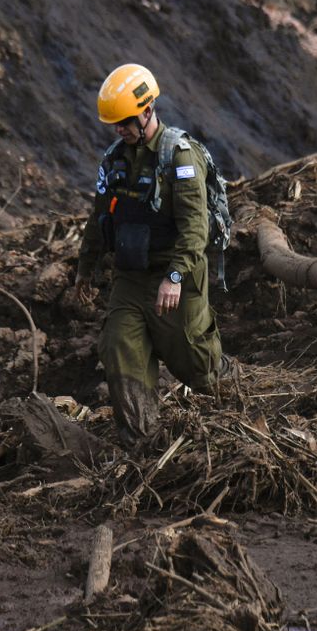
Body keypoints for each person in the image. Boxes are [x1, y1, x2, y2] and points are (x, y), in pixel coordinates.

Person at [74, 64, 233, 445]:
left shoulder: (179, 158)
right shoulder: (114, 161)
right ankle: (142, 441)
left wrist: (175, 276)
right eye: (114, 124)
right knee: (118, 348)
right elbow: (98, 220)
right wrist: (85, 271)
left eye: (125, 121)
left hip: (174, 273)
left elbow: (196, 227)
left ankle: (231, 404)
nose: (120, 130)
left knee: (195, 363)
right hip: (130, 277)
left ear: (147, 111)